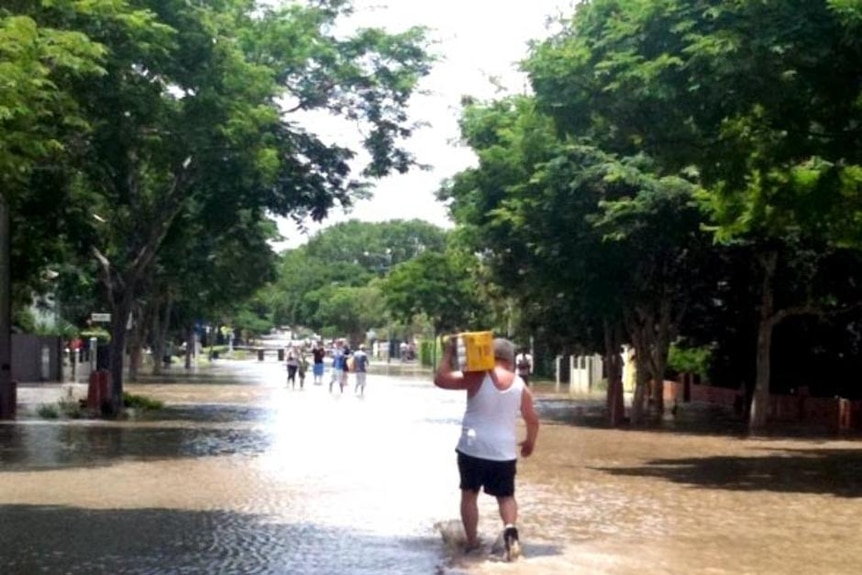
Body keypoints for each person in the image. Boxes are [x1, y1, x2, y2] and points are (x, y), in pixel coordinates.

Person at [434, 336, 539, 561]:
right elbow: (532, 420)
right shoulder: (521, 385)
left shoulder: (476, 377)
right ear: (510, 361)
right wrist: (530, 442)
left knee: (469, 495)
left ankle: (472, 544)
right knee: (506, 496)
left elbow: (441, 379)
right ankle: (510, 530)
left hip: (472, 447)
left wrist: (449, 353)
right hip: (504, 452)